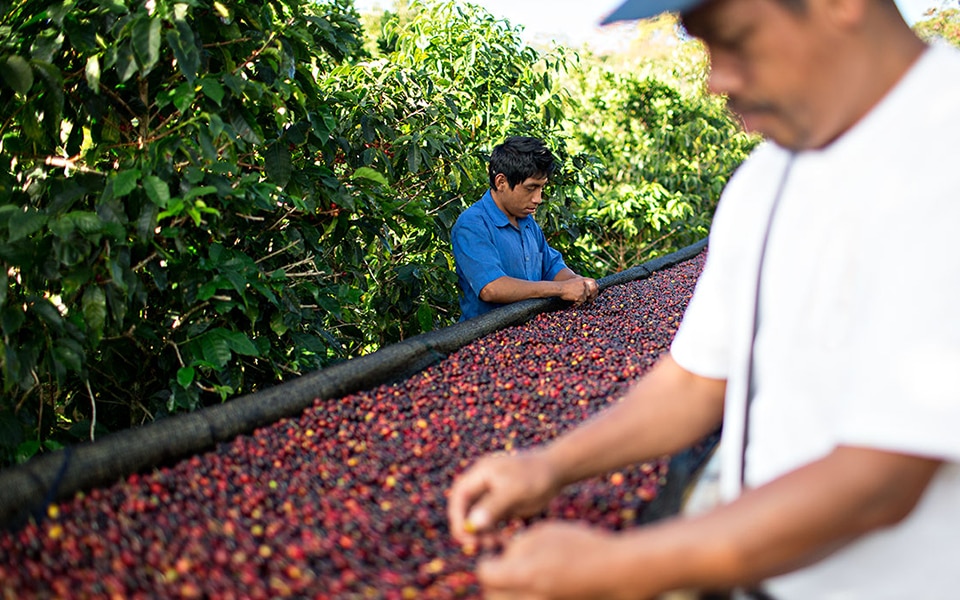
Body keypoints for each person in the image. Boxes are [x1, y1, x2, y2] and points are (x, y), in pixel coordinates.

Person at [446, 0, 960, 597]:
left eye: (734, 37)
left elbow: (881, 481)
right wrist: (550, 466)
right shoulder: (765, 180)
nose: (717, 79)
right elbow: (695, 383)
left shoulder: (941, 154)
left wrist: (614, 568)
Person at [451, 136, 599, 321]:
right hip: (487, 338)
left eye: (541, 188)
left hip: (530, 332)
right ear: (501, 182)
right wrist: (561, 289)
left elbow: (552, 266)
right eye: (531, 188)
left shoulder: (527, 222)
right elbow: (492, 288)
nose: (538, 198)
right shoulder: (472, 225)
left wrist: (577, 282)